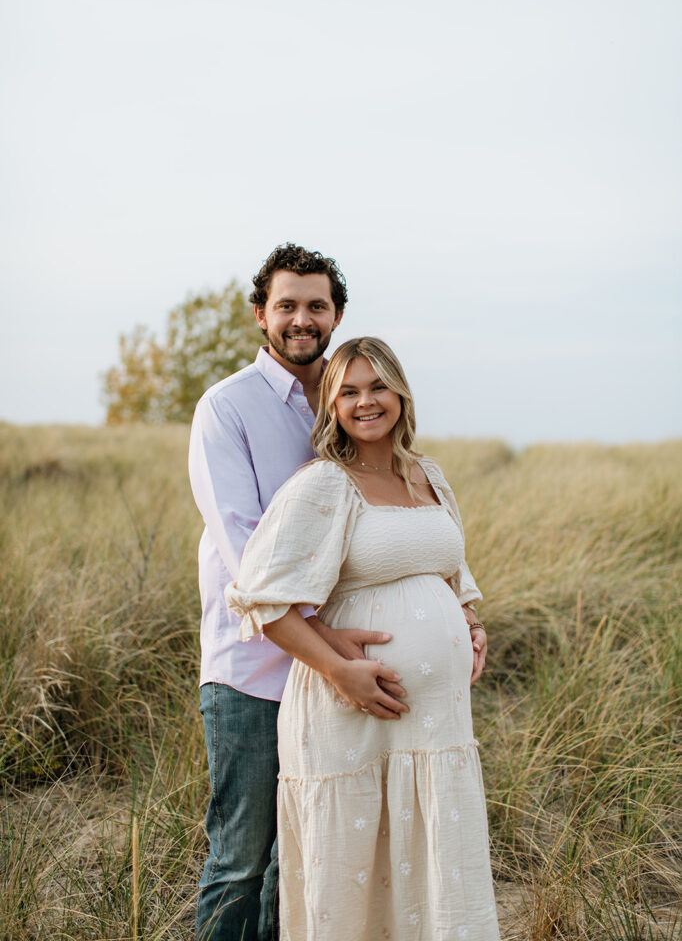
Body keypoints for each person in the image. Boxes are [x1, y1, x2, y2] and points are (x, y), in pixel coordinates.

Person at [227, 337, 500, 941]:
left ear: (400, 392)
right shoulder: (323, 484)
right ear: (331, 406)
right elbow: (261, 599)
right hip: (351, 717)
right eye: (348, 391)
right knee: (355, 875)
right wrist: (337, 670)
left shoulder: (427, 475)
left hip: (436, 729)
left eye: (377, 386)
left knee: (434, 870)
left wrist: (470, 624)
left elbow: (452, 572)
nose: (365, 402)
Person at [189, 249, 407, 941]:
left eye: (316, 306)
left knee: (305, 861)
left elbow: (380, 528)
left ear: (336, 315)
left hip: (334, 681)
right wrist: (327, 644)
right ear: (261, 315)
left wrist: (458, 610)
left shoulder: (350, 403)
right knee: (241, 861)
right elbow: (246, 553)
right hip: (255, 673)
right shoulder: (228, 408)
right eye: (286, 305)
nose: (301, 320)